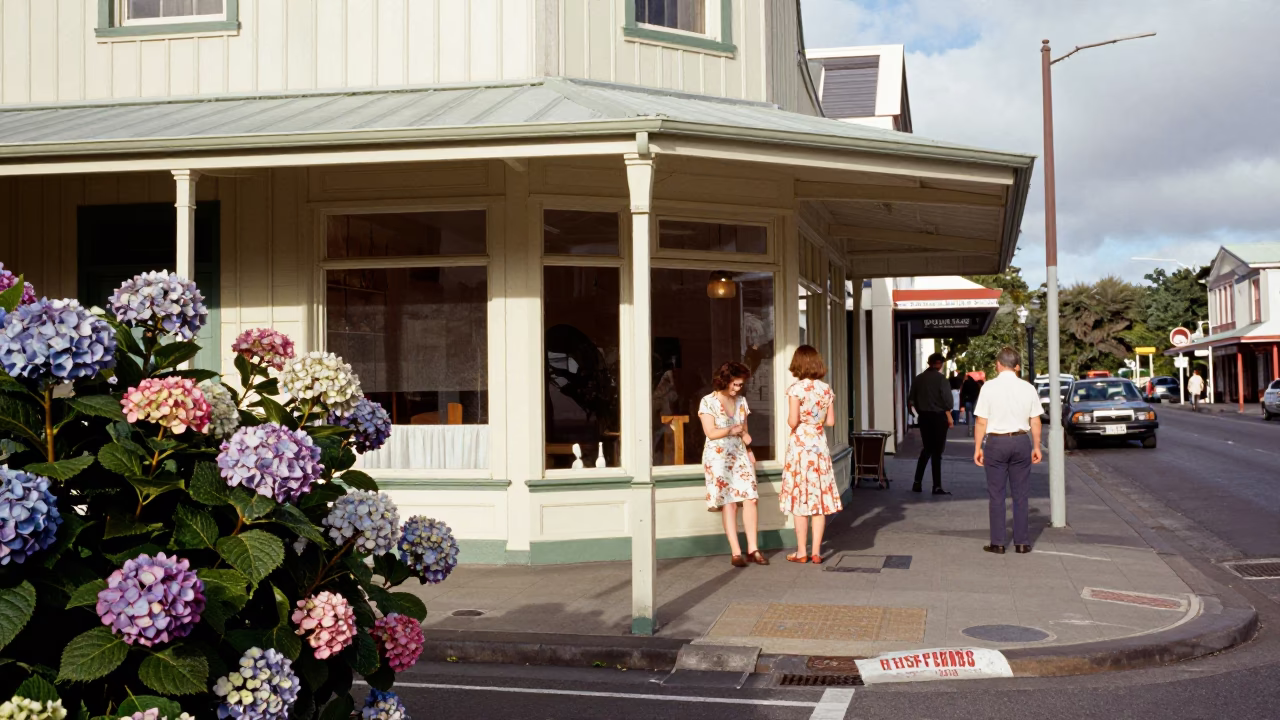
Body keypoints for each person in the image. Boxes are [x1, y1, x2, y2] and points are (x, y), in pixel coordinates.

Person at [973, 347, 1043, 554]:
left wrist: (978, 447)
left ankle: (998, 542)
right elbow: (1036, 420)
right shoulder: (1028, 387)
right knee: (1021, 494)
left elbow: (981, 421)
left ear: (998, 364)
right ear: (1016, 366)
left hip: (996, 442)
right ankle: (1022, 542)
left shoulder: (988, 387)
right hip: (1021, 441)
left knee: (997, 494)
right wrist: (1037, 446)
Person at [699, 361, 767, 568]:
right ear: (725, 381)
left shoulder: (741, 402)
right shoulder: (708, 401)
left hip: (739, 454)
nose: (738, 388)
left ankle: (753, 548)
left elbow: (744, 431)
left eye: (740, 385)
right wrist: (730, 430)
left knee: (750, 499)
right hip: (718, 457)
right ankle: (736, 551)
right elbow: (710, 433)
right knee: (729, 503)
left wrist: (749, 449)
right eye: (735, 384)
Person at [780, 345, 841, 564]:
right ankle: (816, 552)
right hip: (819, 446)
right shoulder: (826, 389)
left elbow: (793, 421)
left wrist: (795, 420)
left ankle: (801, 552)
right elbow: (831, 422)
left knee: (800, 499)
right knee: (818, 500)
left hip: (800, 446)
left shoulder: (795, 389)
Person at [908, 352, 955, 494]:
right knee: (937, 452)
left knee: (926, 449)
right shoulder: (942, 380)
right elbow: (949, 401)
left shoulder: (918, 379)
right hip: (939, 418)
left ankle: (917, 482)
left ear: (929, 363)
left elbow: (910, 401)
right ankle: (937, 485)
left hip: (924, 417)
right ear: (939, 364)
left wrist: (917, 412)